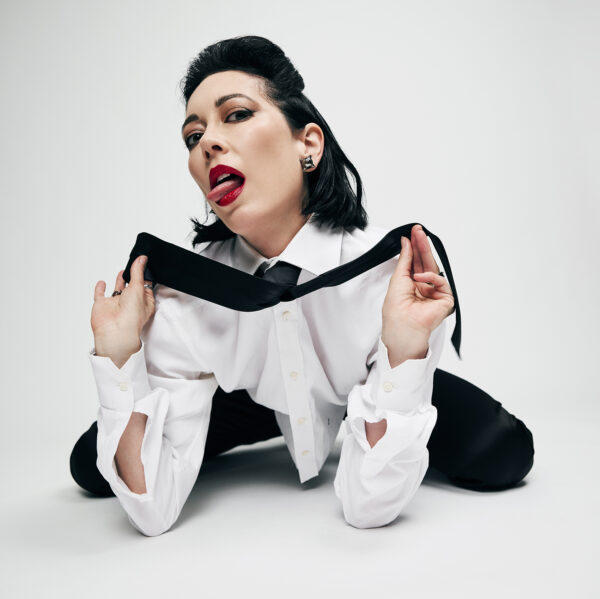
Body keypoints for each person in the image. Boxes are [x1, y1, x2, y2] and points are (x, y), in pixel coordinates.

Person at [70, 35, 534, 536]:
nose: (207, 143)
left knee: (501, 451)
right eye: (193, 135)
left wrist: (403, 350)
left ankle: (367, 399)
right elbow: (150, 512)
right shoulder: (186, 293)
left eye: (237, 115)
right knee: (91, 467)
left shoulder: (391, 273)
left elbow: (368, 509)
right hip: (249, 394)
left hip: (364, 380)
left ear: (307, 144)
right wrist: (118, 352)